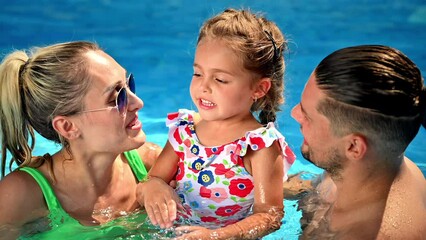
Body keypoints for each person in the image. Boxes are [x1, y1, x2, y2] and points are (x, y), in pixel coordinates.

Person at [136, 8, 296, 239]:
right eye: (198, 74)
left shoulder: (259, 146)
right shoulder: (186, 130)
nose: (204, 87)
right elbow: (152, 179)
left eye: (220, 79)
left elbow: (269, 216)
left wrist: (215, 236)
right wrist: (153, 187)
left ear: (259, 89)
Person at [0, 41, 162, 239]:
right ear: (68, 127)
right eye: (117, 98)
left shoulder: (152, 167)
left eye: (130, 86)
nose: (138, 103)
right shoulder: (22, 195)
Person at [290, 45, 426, 239]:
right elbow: (310, 187)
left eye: (307, 115)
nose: (294, 114)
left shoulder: (372, 234)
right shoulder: (367, 166)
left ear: (354, 147)